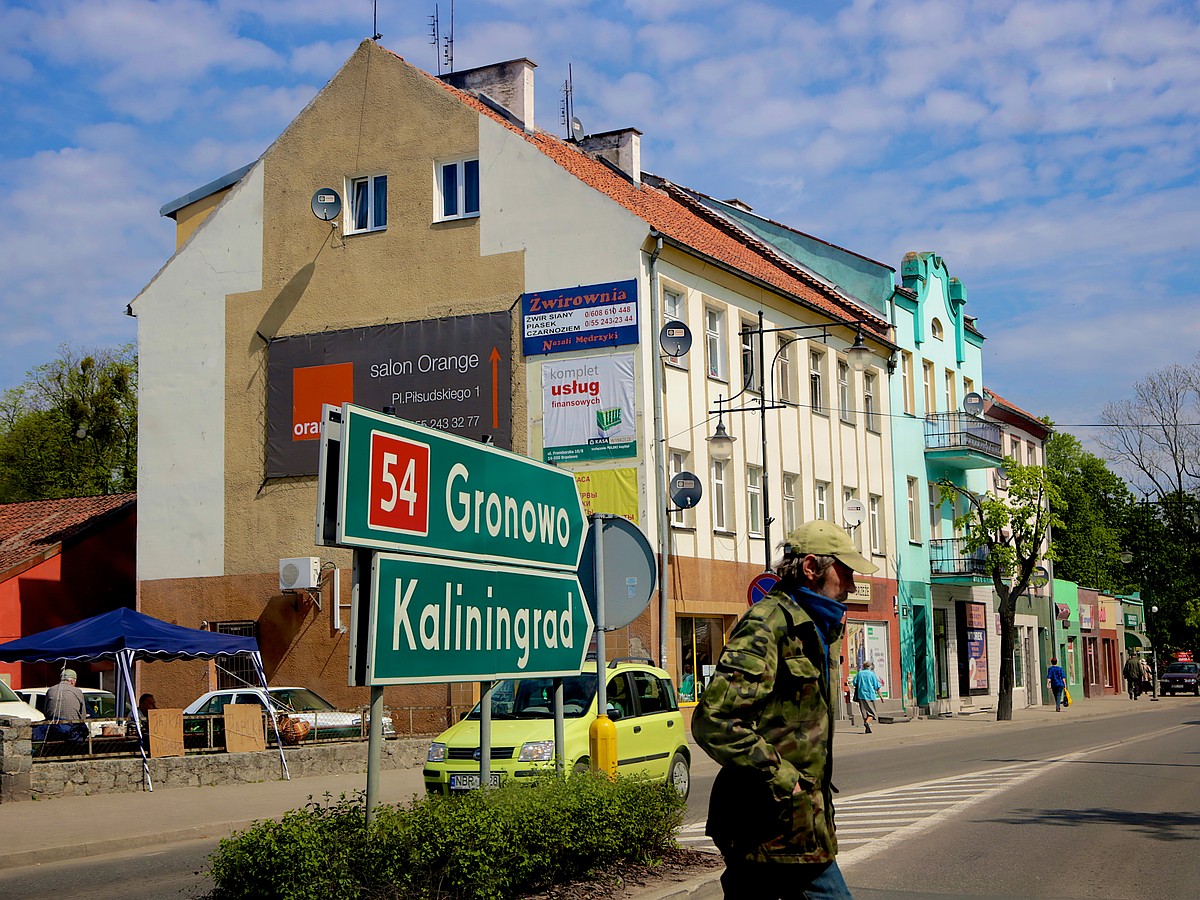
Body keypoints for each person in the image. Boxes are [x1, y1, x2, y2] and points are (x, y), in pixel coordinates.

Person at [693, 520, 878, 900]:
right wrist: (782, 777)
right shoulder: (767, 625)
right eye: (844, 572)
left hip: (796, 824)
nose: (852, 586)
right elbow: (714, 720)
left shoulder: (814, 629)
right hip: (766, 823)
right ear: (811, 568)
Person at [44, 668, 89, 742]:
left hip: (53, 729)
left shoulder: (50, 690)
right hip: (72, 730)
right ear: (72, 681)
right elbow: (82, 716)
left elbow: (46, 711)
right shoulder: (77, 691)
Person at [852, 660, 883, 734]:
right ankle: (867, 723)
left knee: (864, 712)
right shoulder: (871, 674)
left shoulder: (859, 673)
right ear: (870, 666)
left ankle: (867, 728)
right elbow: (876, 686)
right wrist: (881, 697)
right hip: (869, 695)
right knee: (872, 713)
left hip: (860, 695)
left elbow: (854, 682)